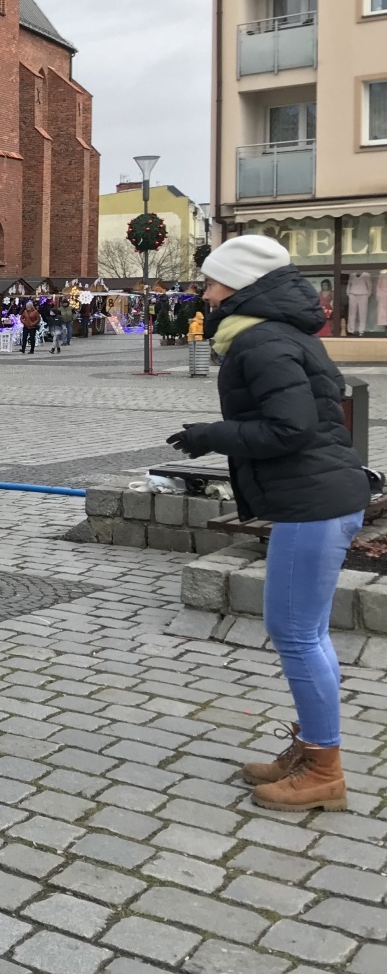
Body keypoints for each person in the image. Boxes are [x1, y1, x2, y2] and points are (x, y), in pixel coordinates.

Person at [168, 236, 371, 812]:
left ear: (239, 286)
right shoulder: (276, 334)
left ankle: (323, 769)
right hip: (320, 496)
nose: (204, 294)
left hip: (314, 502)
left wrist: (211, 435)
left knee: (296, 634)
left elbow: (291, 430)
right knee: (306, 633)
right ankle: (312, 748)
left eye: (211, 283)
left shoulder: (260, 342)